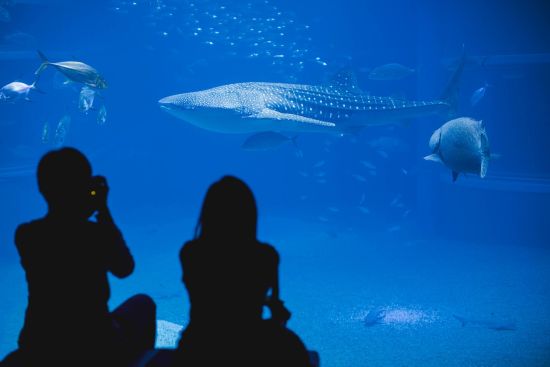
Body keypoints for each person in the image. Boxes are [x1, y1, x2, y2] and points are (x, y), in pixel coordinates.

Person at [3, 147, 156, 367]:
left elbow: (63, 232)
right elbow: (125, 268)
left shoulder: (27, 235)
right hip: (95, 342)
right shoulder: (96, 234)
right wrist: (102, 209)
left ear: (42, 188)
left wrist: (77, 209)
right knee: (144, 303)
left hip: (39, 343)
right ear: (85, 186)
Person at [173, 175, 312, 367]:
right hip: (252, 344)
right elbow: (248, 300)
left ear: (208, 213)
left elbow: (217, 295)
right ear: (250, 214)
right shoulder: (266, 255)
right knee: (295, 349)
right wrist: (277, 315)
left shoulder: (190, 252)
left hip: (197, 347)